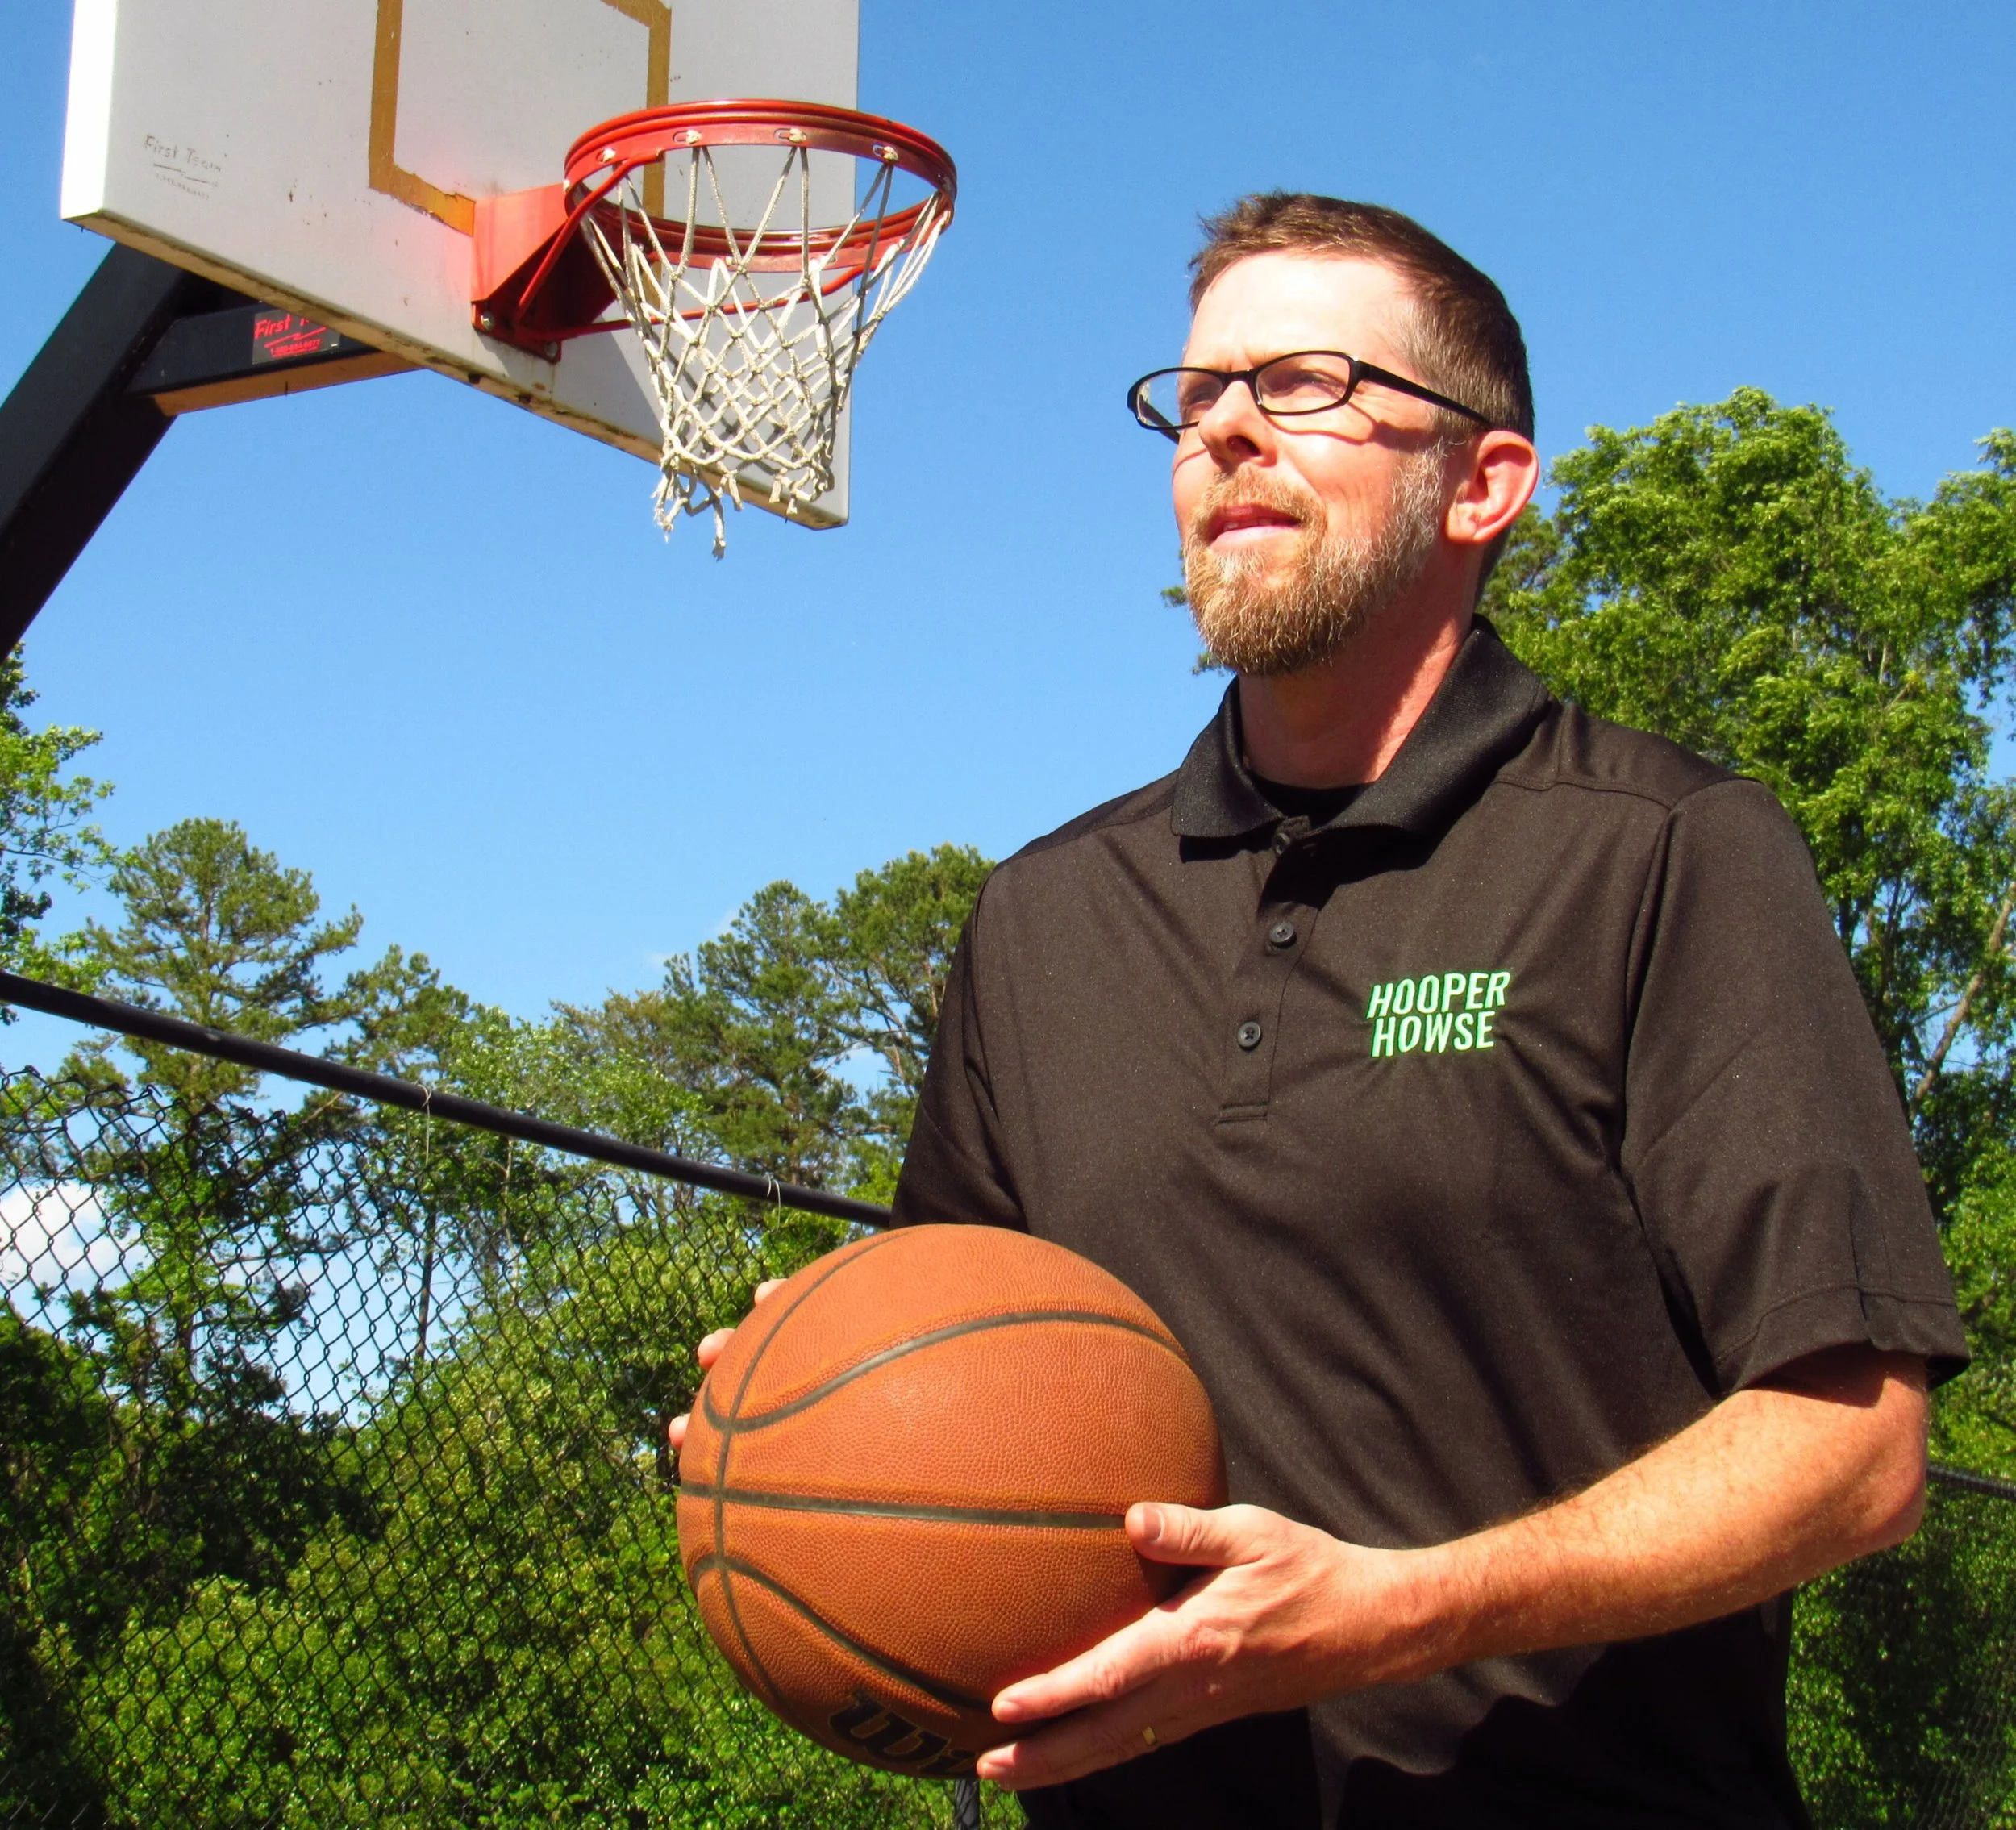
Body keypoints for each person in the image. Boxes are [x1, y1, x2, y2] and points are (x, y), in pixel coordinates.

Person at [673, 194, 1968, 1828]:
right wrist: (788, 1429)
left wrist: (1393, 1610)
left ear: (1479, 485)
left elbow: (1851, 1449)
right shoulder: (1043, 916)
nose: (1220, 429)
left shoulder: (1663, 854)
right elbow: (955, 1363)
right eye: (1194, 393)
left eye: (1298, 384)